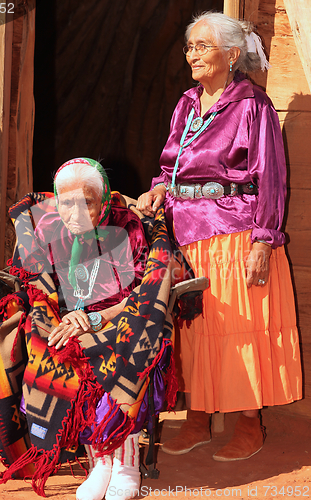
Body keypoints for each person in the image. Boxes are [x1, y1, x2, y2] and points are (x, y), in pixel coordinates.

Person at [136, 11, 302, 462]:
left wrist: (264, 240)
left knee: (238, 329)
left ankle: (250, 423)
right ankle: (198, 417)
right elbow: (170, 166)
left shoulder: (253, 105)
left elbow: (270, 176)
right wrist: (156, 189)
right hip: (187, 235)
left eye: (202, 46)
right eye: (190, 46)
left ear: (231, 54)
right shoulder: (187, 104)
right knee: (196, 331)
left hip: (235, 232)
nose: (192, 54)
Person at [27, 158, 149, 500]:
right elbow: (36, 282)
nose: (75, 213)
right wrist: (64, 315)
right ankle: (100, 462)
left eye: (87, 202)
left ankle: (125, 463)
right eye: (67, 203)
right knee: (56, 345)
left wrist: (95, 318)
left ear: (104, 200)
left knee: (117, 348)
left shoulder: (127, 227)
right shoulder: (49, 229)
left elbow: (141, 291)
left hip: (120, 316)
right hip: (71, 320)